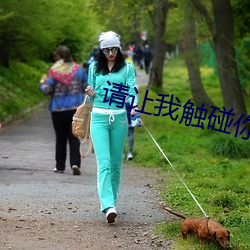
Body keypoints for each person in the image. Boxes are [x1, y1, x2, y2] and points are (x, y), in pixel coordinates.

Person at [85, 31, 138, 223]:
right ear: (101, 50)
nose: (110, 53)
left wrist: (133, 107)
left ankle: (112, 201)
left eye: (114, 49)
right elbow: (91, 97)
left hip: (120, 119)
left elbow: (131, 90)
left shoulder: (127, 68)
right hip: (98, 118)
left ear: (119, 48)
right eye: (106, 50)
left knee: (116, 164)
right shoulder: (94, 68)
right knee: (104, 163)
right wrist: (90, 92)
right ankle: (107, 205)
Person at [39, 45, 88, 175]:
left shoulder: (54, 71)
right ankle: (75, 163)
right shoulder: (79, 70)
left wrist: (42, 83)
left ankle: (60, 166)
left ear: (58, 57)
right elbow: (86, 87)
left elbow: (47, 90)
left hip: (58, 109)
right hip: (75, 109)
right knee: (74, 137)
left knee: (60, 138)